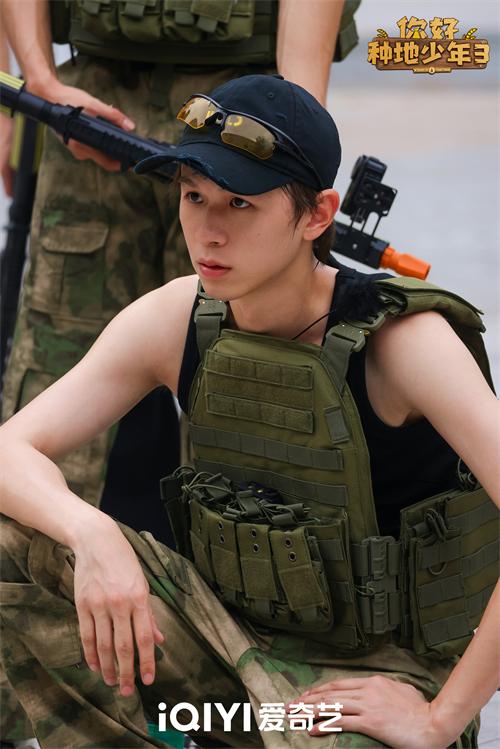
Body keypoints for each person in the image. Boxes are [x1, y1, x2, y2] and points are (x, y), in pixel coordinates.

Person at [0, 74, 498, 749]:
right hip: (223, 645)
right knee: (17, 534)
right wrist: (91, 534)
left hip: (368, 679)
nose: (209, 231)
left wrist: (438, 720)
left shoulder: (402, 342)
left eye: (240, 203)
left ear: (317, 216)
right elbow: (9, 450)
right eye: (194, 196)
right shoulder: (178, 315)